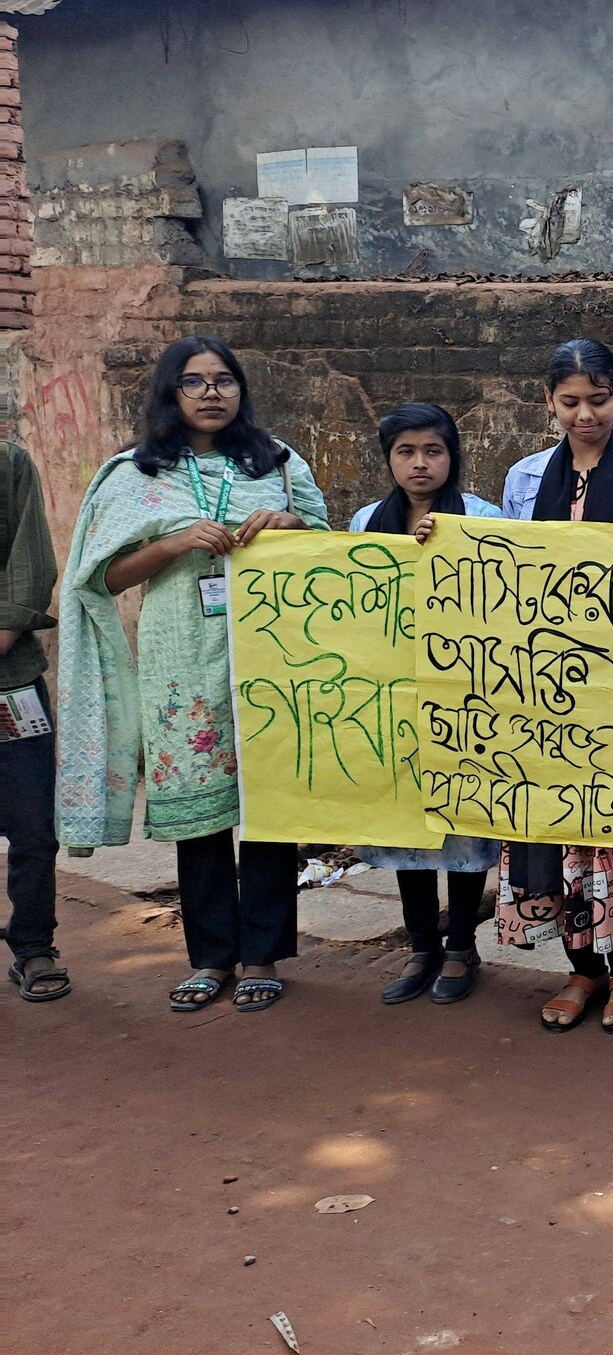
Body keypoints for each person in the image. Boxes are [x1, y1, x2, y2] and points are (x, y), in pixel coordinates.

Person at [56, 337, 328, 1013]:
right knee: (199, 818)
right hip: (180, 662)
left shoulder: (278, 462)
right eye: (194, 382)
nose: (211, 392)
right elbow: (102, 577)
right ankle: (210, 958)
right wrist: (174, 542)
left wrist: (288, 521)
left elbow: (329, 543)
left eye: (224, 380)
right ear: (169, 395)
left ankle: (262, 953)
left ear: (241, 390)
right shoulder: (134, 473)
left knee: (269, 810)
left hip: (270, 655)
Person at [493, 339, 613, 1035]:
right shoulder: (521, 480)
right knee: (558, 817)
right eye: (570, 402)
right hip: (544, 682)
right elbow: (500, 570)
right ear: (549, 403)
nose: (585, 414)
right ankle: (580, 968)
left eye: (598, 400)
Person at [347, 404, 505, 1008]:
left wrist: (449, 549)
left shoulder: (483, 515)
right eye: (406, 452)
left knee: (463, 822)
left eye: (433, 451)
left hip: (467, 695)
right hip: (394, 697)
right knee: (405, 822)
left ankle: (462, 945)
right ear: (388, 458)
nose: (420, 464)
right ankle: (420, 945)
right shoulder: (367, 520)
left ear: (452, 455)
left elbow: (505, 596)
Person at [1, 439, 62, 1002]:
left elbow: (30, 561)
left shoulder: (7, 462)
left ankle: (33, 945)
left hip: (10, 680)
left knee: (33, 825)